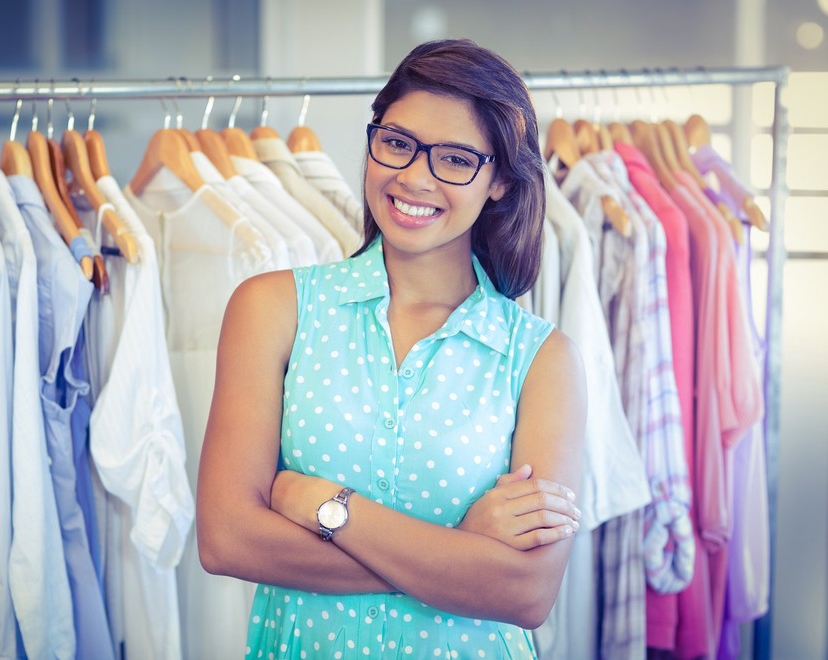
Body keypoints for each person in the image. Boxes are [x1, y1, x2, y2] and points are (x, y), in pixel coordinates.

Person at [197, 38, 586, 659]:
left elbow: (524, 592)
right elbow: (226, 540)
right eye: (398, 143)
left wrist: (324, 505)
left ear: (501, 183)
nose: (413, 176)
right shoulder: (273, 310)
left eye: (455, 160)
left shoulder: (542, 359)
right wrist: (459, 550)